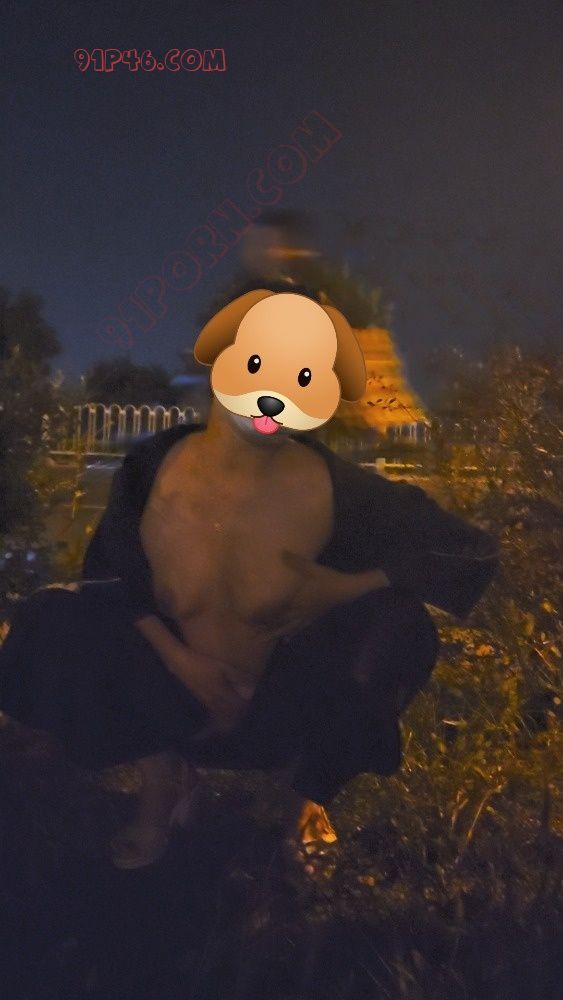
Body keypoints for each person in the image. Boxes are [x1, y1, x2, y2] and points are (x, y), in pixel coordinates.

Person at [0, 286, 499, 869]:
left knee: (399, 625)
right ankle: (162, 778)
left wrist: (346, 586)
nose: (274, 397)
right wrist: (181, 662)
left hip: (271, 719)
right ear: (226, 355)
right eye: (259, 365)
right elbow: (109, 579)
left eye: (304, 378)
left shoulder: (337, 492)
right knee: (52, 617)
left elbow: (468, 550)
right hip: (161, 704)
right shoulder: (150, 471)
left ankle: (305, 797)